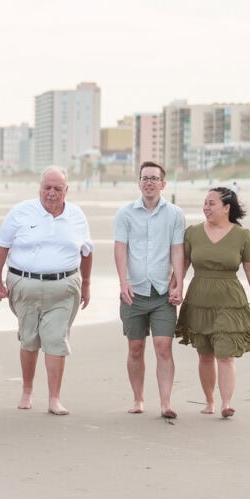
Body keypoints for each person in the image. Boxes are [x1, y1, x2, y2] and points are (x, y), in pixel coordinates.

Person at [0, 167, 94, 415]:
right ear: (40, 188)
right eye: (47, 187)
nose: (51, 193)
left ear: (66, 190)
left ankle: (54, 398)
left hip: (64, 287)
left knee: (56, 339)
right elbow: (1, 248)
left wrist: (87, 284)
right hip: (24, 284)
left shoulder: (77, 215)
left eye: (58, 189)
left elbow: (87, 252)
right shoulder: (20, 212)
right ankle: (27, 390)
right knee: (29, 338)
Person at [175, 187, 250, 418]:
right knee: (204, 354)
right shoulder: (192, 233)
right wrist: (176, 287)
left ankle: (226, 402)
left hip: (229, 299)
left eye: (211, 203)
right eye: (205, 202)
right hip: (199, 297)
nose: (206, 207)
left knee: (225, 352)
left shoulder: (243, 236)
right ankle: (209, 401)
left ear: (226, 208)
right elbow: (182, 265)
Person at [112, 161, 186, 419]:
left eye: (154, 178)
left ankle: (166, 403)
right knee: (135, 348)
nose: (149, 182)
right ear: (139, 182)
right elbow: (120, 248)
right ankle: (138, 398)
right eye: (145, 178)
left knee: (164, 347)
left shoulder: (175, 214)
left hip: (163, 293)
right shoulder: (125, 214)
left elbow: (178, 250)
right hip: (134, 292)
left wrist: (179, 281)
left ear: (163, 184)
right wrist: (123, 282)